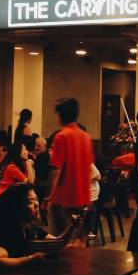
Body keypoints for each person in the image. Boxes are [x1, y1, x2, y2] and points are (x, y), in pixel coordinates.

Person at [0, 183, 80, 273]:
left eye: (36, 199)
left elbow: (57, 243)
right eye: (31, 201)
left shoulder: (29, 227)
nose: (37, 204)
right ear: (17, 208)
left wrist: (72, 226)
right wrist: (30, 259)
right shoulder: (9, 231)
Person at [43, 98, 94, 241]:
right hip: (83, 198)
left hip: (63, 199)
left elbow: (56, 170)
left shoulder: (62, 136)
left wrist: (47, 198)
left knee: (58, 241)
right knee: (76, 241)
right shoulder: (86, 137)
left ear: (61, 115)